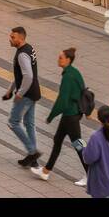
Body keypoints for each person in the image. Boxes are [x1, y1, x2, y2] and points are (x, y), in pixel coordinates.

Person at [32, 47, 86, 183]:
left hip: (70, 115)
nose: (58, 59)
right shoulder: (74, 72)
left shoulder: (68, 76)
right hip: (72, 114)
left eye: (61, 57)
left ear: (68, 60)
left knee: (78, 144)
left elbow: (62, 100)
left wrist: (51, 116)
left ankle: (90, 173)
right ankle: (45, 171)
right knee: (58, 140)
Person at [3, 25, 42, 167]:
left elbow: (28, 76)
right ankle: (33, 159)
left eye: (13, 37)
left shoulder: (21, 54)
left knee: (13, 122)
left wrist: (19, 93)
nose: (10, 39)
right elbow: (21, 74)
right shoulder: (29, 48)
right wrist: (10, 89)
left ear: (20, 38)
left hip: (26, 94)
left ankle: (32, 152)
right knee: (29, 124)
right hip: (34, 92)